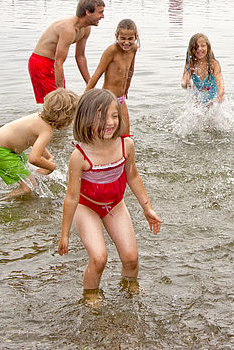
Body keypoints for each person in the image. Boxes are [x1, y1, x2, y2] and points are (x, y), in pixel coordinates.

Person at [58, 89, 162, 305]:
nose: (110, 122)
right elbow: (71, 197)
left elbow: (132, 176)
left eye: (114, 116)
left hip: (115, 205)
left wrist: (147, 207)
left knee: (131, 258)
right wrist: (65, 234)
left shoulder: (125, 145)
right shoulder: (80, 156)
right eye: (101, 116)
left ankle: (129, 287)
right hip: (87, 207)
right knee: (98, 258)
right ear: (86, 118)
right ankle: (90, 295)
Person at [0, 89, 78, 199]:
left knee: (29, 176)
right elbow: (33, 158)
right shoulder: (47, 130)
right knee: (29, 187)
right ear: (65, 117)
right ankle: (1, 201)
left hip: (2, 147)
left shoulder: (39, 118)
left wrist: (48, 157)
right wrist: (52, 166)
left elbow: (32, 140)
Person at [28, 0, 105, 103]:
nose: (102, 16)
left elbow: (80, 57)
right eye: (100, 12)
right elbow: (59, 62)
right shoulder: (68, 29)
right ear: (88, 12)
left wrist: (90, 85)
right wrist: (61, 93)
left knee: (60, 105)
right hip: (41, 63)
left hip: (54, 64)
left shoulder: (86, 28)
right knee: (56, 103)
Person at [85, 19, 140, 135]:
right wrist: (85, 96)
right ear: (117, 36)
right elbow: (97, 74)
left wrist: (127, 88)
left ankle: (123, 153)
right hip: (108, 99)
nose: (126, 42)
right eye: (122, 38)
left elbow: (130, 70)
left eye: (130, 38)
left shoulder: (134, 49)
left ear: (136, 37)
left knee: (125, 135)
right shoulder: (112, 51)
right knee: (105, 133)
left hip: (120, 99)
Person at [180, 33, 225, 105]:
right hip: (198, 99)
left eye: (203, 46)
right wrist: (186, 83)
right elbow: (183, 82)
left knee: (212, 109)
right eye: (196, 46)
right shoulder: (190, 65)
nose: (199, 49)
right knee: (196, 110)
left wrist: (220, 94)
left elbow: (220, 81)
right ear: (191, 49)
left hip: (213, 100)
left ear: (208, 47)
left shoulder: (214, 64)